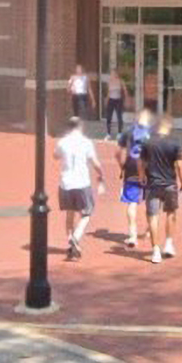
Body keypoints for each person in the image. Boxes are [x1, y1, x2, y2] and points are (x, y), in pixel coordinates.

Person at [54, 115, 104, 260]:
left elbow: (55, 156)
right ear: (80, 127)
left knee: (69, 214)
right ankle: (76, 236)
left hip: (66, 183)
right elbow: (95, 163)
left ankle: (71, 243)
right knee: (87, 213)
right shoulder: (86, 142)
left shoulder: (62, 142)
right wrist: (101, 175)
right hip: (82, 183)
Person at [140, 113, 182, 265]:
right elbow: (179, 166)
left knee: (153, 217)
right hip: (169, 184)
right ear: (168, 126)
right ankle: (168, 243)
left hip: (152, 184)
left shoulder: (147, 142)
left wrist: (142, 177)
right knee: (171, 214)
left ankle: (155, 251)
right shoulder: (175, 143)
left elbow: (142, 163)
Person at [115, 105, 153, 247]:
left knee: (131, 202)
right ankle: (150, 230)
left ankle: (132, 235)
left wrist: (122, 166)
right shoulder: (152, 133)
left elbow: (117, 153)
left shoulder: (128, 132)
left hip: (131, 167)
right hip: (149, 168)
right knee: (151, 200)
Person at [104, 67, 128, 138]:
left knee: (119, 117)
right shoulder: (110, 82)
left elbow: (125, 91)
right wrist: (106, 100)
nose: (112, 74)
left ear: (116, 74)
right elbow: (108, 93)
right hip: (111, 100)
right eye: (111, 73)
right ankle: (108, 133)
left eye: (113, 73)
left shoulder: (121, 81)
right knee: (109, 117)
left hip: (118, 100)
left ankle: (119, 133)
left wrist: (126, 100)